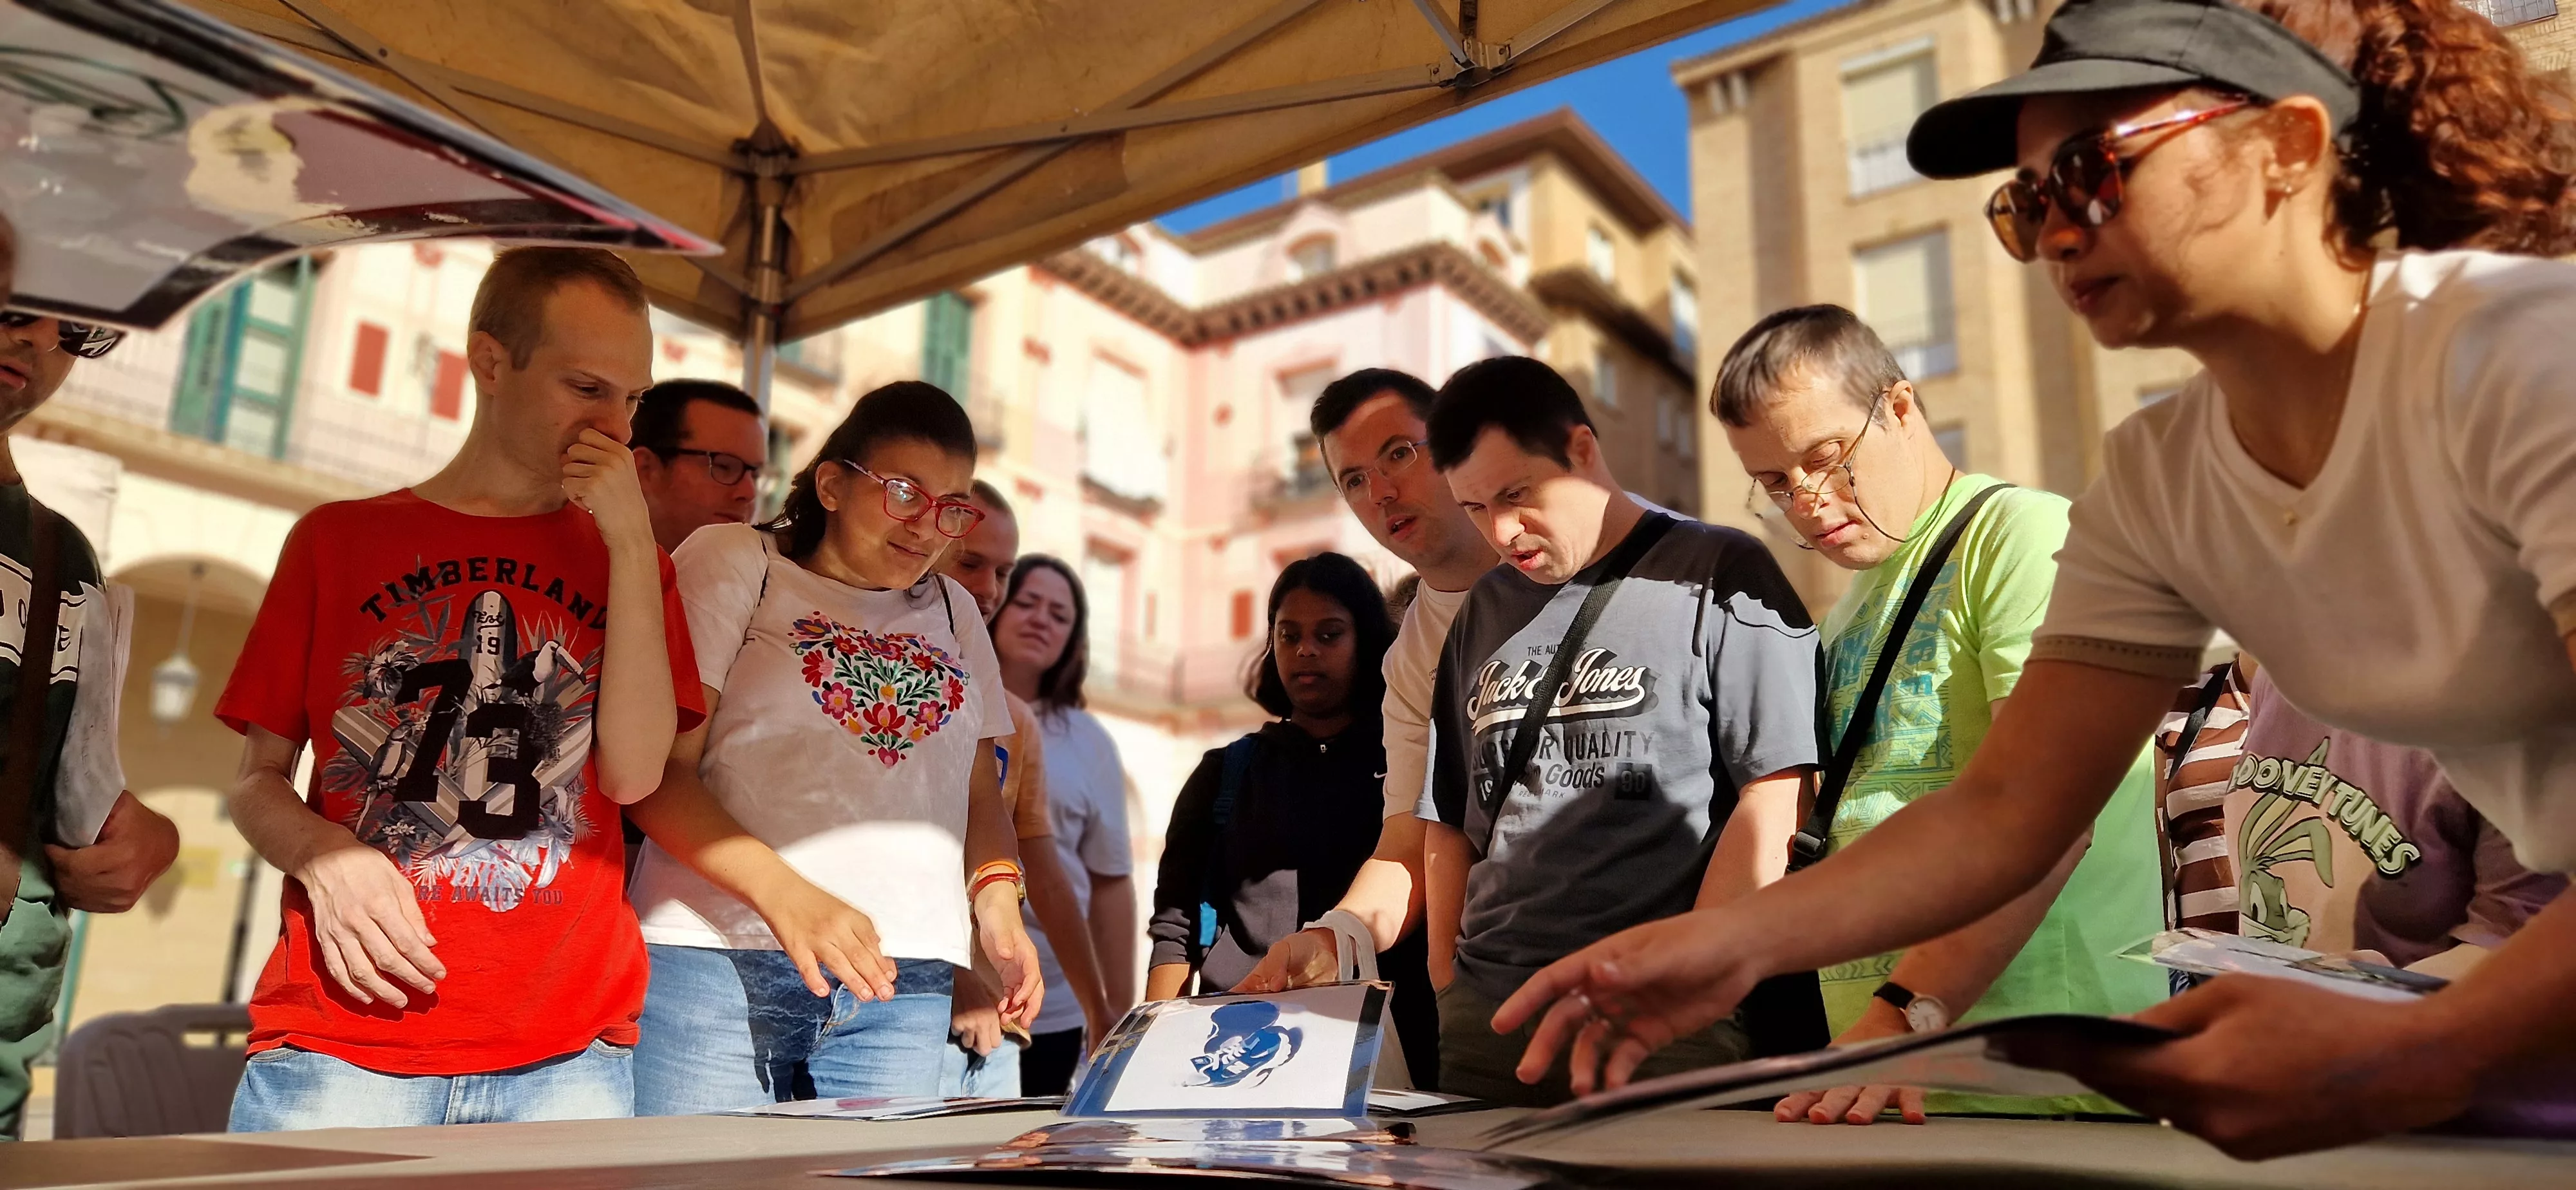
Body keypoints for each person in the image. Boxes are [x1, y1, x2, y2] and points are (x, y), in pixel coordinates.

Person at [1492, 0, 2576, 1157]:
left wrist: (2427, 1045)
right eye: (2026, 202)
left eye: (2093, 173)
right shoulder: (2160, 476)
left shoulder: (2517, 355)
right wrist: (1728, 944)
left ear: (2289, 148)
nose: (2057, 231)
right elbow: (2008, 809)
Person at [216, 247, 701, 1131]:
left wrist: (632, 548)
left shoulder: (636, 566)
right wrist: (324, 857)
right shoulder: (336, 541)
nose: (617, 429)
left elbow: (633, 778)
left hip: (563, 1055)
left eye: (633, 400)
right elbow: (256, 782)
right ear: (490, 361)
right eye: (586, 388)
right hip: (342, 1042)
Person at [1713, 305, 2168, 1126]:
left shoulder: (2022, 536)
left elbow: (2053, 816)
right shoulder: (1847, 610)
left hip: (2039, 1078)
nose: (1807, 501)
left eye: (1825, 458)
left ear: (1898, 406)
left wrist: (1900, 1016)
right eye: (1776, 484)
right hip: (1885, 1074)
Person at [624, 382, 1039, 1111]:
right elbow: (659, 777)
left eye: (950, 507)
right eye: (905, 492)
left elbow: (976, 795)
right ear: (832, 484)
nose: (927, 526)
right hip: (718, 961)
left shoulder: (955, 612)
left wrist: (996, 902)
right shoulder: (734, 561)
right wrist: (793, 899)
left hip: (901, 984)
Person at [1420, 355, 1820, 1106]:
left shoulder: (1718, 569)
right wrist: (1449, 980)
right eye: (1474, 508)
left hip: (1661, 1017)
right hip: (1489, 1021)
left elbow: (1779, 789)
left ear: (1581, 449)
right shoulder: (1484, 608)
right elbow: (1448, 817)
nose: (1503, 531)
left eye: (1517, 493)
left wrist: (1694, 974)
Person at [1234, 370, 1497, 1035]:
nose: (1380, 492)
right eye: (1353, 480)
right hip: (1491, 1015)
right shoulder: (1409, 657)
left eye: (1399, 454)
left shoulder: (1582, 569)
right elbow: (1405, 844)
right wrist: (1329, 941)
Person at [1145, 553, 1438, 1081]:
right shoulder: (1224, 772)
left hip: (1383, 1049)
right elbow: (1176, 925)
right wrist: (1151, 1053)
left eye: (1329, 635)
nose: (1305, 650)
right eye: (1288, 634)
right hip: (1237, 1048)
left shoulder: (1410, 760)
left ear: (1366, 640)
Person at [0, 305, 180, 1140]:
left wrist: (144, 838)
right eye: (11, 307)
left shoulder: (57, 551)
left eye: (78, 328)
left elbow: (71, 790)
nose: (39, 338)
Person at [934, 480, 1113, 1097]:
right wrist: (955, 977)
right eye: (971, 562)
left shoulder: (1018, 722)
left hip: (997, 1024)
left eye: (1003, 571)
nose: (988, 588)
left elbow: (1045, 868)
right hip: (896, 1003)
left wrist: (1100, 1007)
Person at [989, 554, 1135, 1095]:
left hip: (1054, 1005)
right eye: (1026, 602)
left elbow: (1109, 882)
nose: (1040, 620)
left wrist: (1115, 1008)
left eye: (1060, 614)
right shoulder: (950, 705)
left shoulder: (1090, 741)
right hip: (948, 992)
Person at [630, 379, 767, 555]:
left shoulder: (762, 578)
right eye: (724, 466)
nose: (749, 493)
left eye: (755, 476)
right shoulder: (588, 568)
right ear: (646, 470)